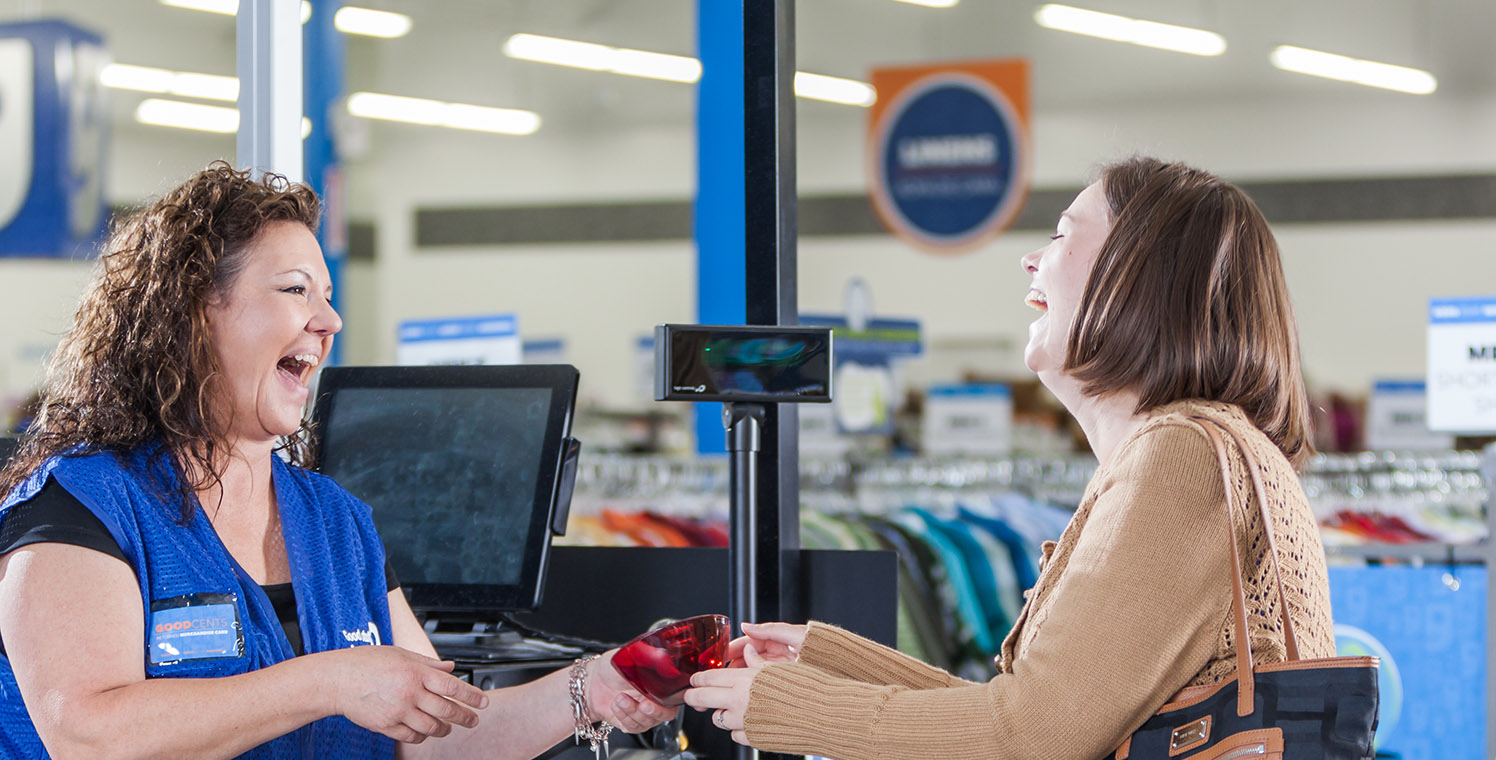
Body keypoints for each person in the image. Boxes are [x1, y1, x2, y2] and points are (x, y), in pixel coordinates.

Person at [0, 163, 670, 759]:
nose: (330, 321)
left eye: (326, 294)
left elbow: (439, 736)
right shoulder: (78, 508)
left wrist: (596, 685)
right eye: (296, 291)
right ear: (194, 313)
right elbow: (89, 735)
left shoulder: (336, 522)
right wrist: (330, 682)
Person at [683, 156, 1339, 759]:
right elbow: (1044, 708)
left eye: (1060, 234)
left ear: (1139, 273)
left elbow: (1031, 737)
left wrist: (795, 707)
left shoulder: (1183, 458)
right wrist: (831, 665)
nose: (1031, 259)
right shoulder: (1190, 449)